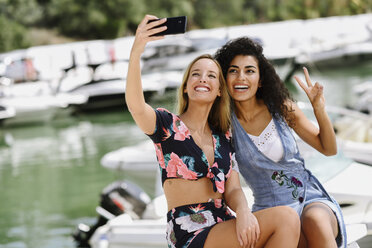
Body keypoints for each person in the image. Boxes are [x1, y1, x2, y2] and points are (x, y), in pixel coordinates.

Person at [126, 15, 301, 248]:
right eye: (196, 74)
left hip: (224, 222)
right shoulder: (166, 125)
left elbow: (234, 189)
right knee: (285, 218)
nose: (203, 79)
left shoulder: (224, 136)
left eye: (211, 76)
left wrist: (244, 213)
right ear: (186, 86)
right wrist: (137, 50)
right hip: (190, 230)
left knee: (291, 221)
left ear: (219, 90)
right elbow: (136, 106)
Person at [214, 37, 347, 248]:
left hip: (310, 200)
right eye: (233, 71)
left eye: (249, 71)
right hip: (270, 211)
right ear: (224, 77)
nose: (241, 78)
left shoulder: (281, 108)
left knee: (315, 222)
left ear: (260, 79)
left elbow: (329, 149)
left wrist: (319, 109)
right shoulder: (223, 125)